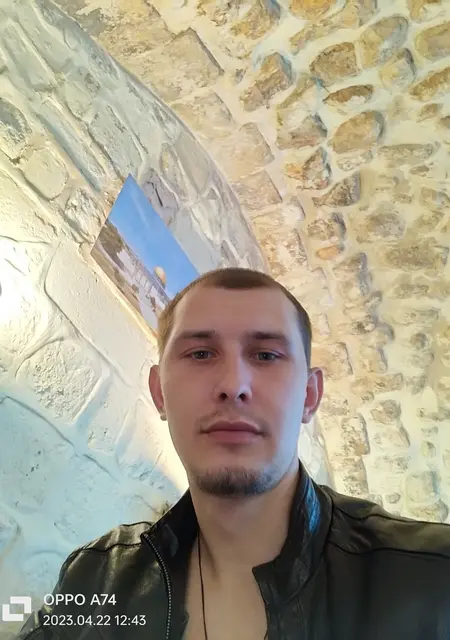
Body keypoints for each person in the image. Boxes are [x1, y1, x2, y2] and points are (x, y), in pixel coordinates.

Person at [15, 268, 450, 640]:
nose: (233, 385)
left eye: (266, 355)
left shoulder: (432, 580)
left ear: (309, 396)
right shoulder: (94, 581)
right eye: (201, 353)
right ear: (159, 393)